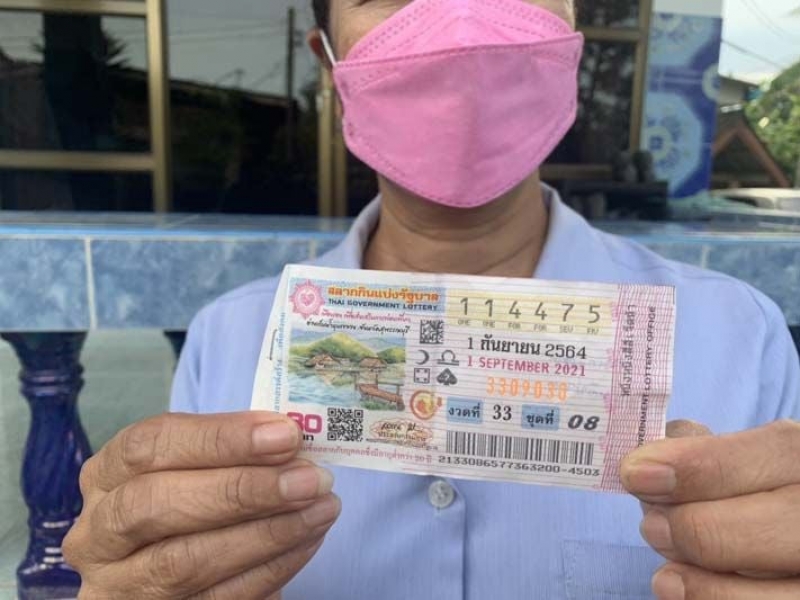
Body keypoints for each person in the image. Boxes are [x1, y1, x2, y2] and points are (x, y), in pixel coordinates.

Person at [64, 1, 800, 598]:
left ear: (571, 41)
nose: (462, 23)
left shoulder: (740, 333)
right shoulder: (230, 337)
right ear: (331, 64)